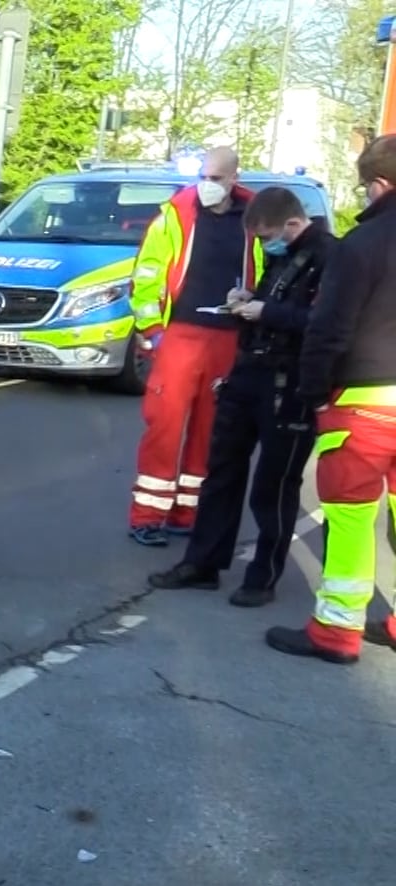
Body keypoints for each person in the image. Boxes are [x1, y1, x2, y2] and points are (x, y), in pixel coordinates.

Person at [147, 186, 335, 605]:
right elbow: (276, 299)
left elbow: (325, 323)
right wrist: (249, 301)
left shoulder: (329, 256)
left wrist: (267, 312)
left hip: (291, 382)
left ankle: (262, 578)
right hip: (250, 370)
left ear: (292, 223)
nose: (265, 246)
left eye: (268, 237)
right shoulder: (283, 254)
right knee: (221, 472)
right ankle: (202, 564)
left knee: (274, 485)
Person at [266, 135, 396, 664]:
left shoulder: (363, 244)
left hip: (365, 400)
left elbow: (329, 327)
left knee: (349, 515)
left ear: (379, 184)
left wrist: (315, 391)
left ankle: (336, 631)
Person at [126, 147, 265, 547]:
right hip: (180, 334)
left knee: (211, 430)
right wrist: (153, 330)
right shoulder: (176, 215)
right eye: (203, 177)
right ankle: (147, 516)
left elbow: (263, 273)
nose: (207, 185)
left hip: (228, 335)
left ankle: (188, 512)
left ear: (234, 178)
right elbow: (147, 275)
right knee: (164, 426)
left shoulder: (252, 219)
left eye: (216, 178)